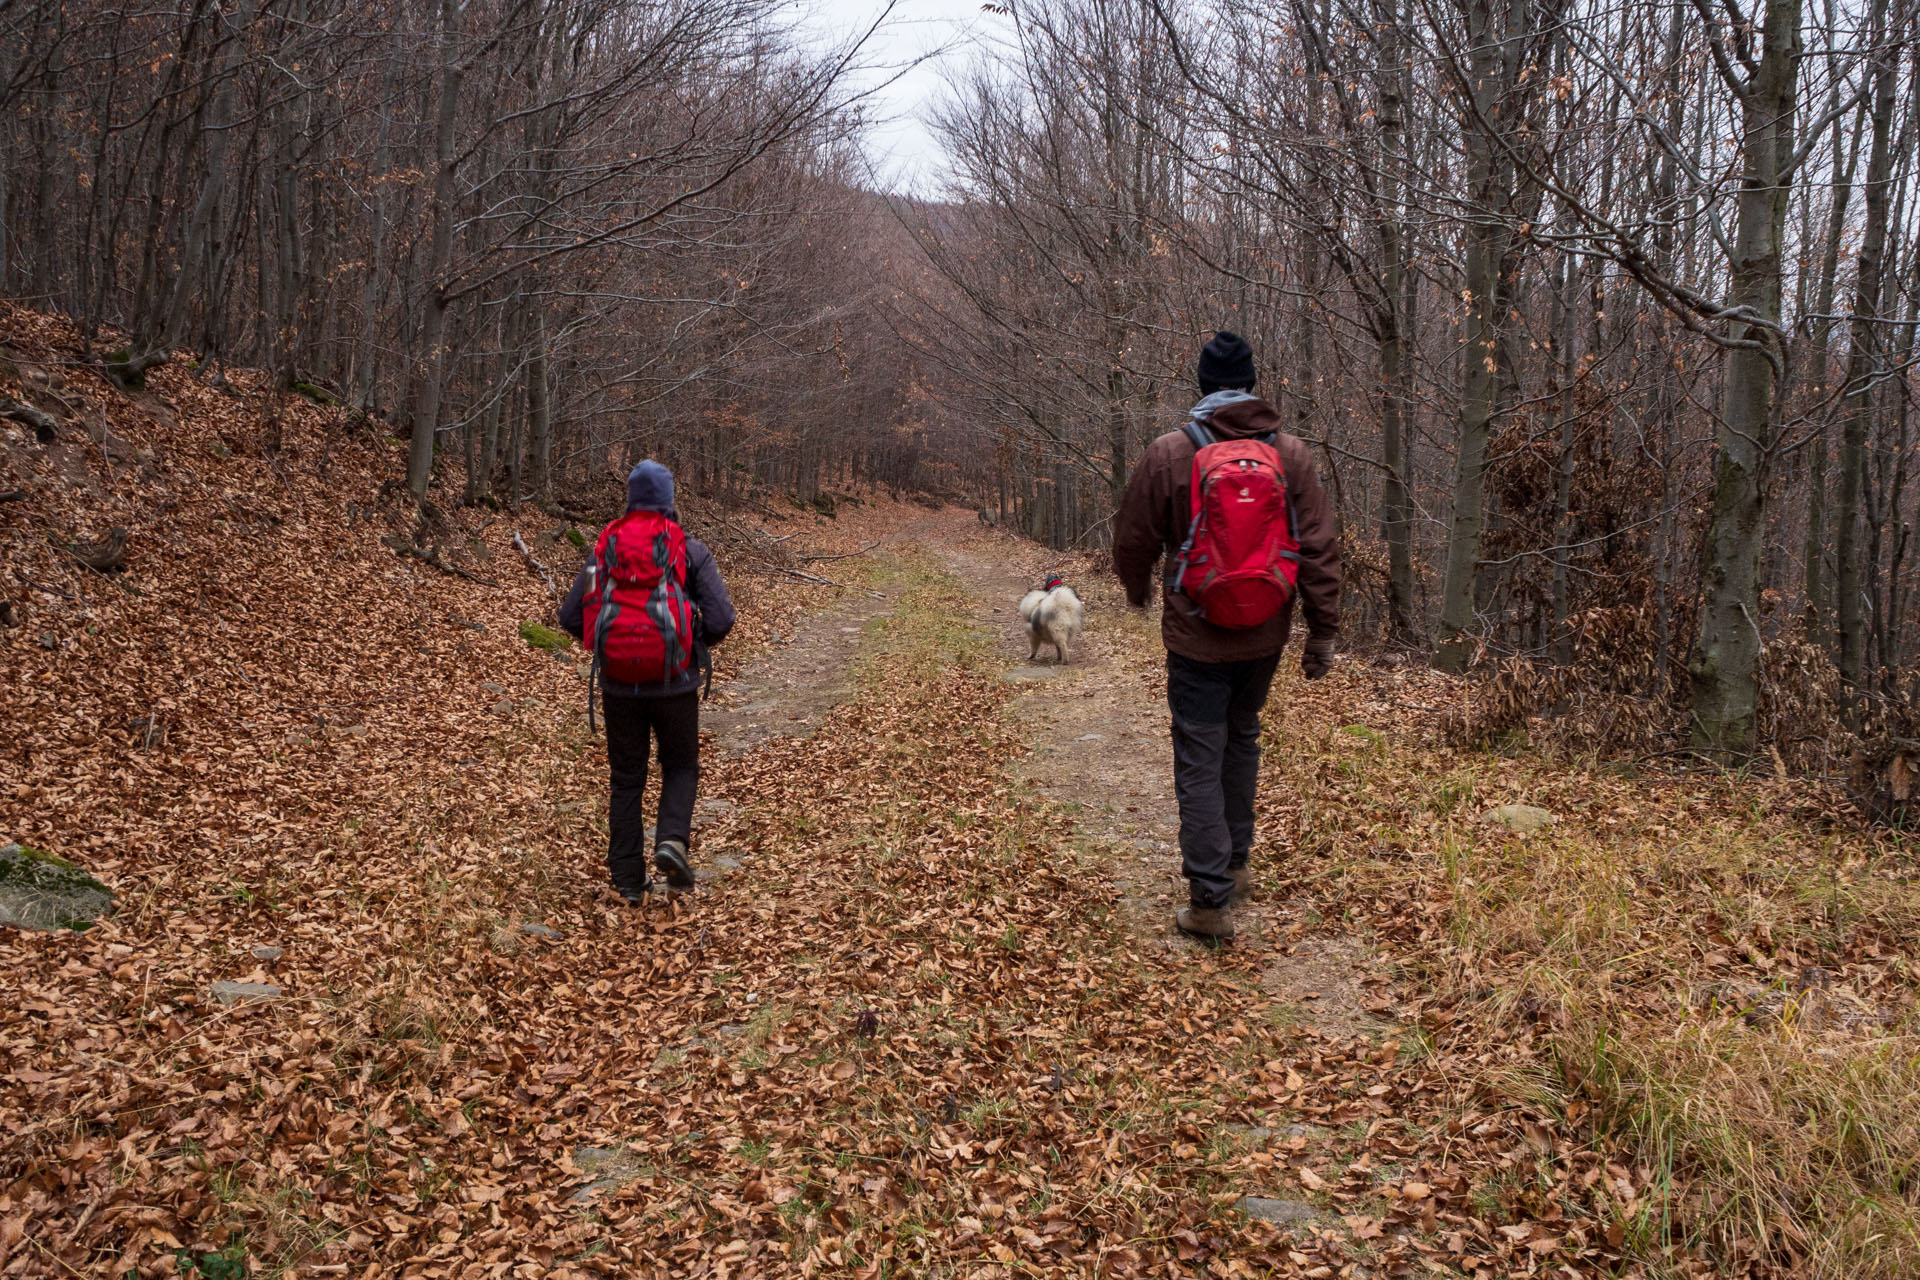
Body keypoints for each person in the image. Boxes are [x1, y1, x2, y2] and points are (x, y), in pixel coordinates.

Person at [1112, 331, 1342, 941]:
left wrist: (1136, 591)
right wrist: (1323, 632)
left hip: (1194, 633)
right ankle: (1234, 866)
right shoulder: (1290, 455)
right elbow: (1318, 547)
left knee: (1199, 750)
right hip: (1265, 631)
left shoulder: (1170, 451)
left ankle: (1209, 900)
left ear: (1201, 386)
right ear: (1253, 382)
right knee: (1242, 738)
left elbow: (1133, 536)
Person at [559, 461, 735, 905]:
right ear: (670, 501)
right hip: (675, 684)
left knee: (626, 779)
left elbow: (568, 616)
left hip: (619, 685)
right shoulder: (688, 549)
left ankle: (627, 881)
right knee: (680, 766)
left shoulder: (605, 549)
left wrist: (608, 648)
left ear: (631, 499)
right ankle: (671, 840)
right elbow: (722, 618)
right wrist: (692, 647)